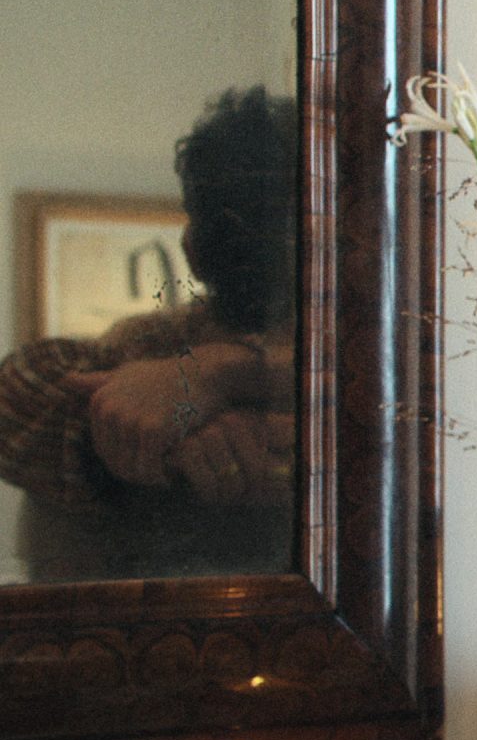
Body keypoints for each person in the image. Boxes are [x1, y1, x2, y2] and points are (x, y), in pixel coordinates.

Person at [0, 86, 299, 579]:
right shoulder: (148, 346)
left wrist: (221, 374)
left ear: (191, 247)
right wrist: (174, 441)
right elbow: (18, 392)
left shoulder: (378, 358)